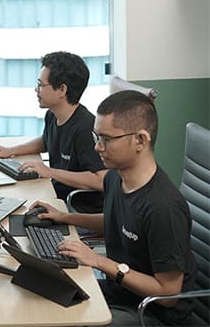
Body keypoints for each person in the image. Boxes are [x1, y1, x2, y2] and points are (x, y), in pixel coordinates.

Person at [30, 90, 196, 326]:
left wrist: (99, 262)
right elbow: (115, 221)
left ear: (140, 140)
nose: (97, 147)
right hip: (120, 292)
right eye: (96, 137)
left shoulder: (163, 208)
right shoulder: (115, 179)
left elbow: (168, 294)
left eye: (106, 139)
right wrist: (64, 217)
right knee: (42, 293)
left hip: (152, 314)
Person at [0, 51, 107, 213]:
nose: (36, 90)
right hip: (56, 193)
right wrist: (10, 151)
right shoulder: (53, 114)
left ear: (62, 90)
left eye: (41, 85)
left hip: (78, 207)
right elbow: (46, 140)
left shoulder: (86, 128)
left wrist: (49, 172)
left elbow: (101, 179)